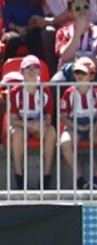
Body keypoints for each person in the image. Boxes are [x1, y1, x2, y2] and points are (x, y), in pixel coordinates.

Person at [58, 56, 97, 190]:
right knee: (65, 142)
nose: (79, 76)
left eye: (83, 73)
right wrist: (77, 126)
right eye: (77, 73)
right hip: (74, 126)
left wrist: (95, 127)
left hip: (92, 126)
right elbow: (63, 117)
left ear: (92, 75)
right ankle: (79, 179)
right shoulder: (69, 93)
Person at [6, 55, 57, 189]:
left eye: (36, 68)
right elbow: (12, 119)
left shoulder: (45, 91)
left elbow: (48, 118)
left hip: (38, 126)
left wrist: (41, 124)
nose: (33, 71)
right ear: (22, 72)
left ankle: (46, 177)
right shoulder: (15, 91)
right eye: (29, 68)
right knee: (16, 133)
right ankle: (19, 176)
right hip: (21, 126)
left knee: (51, 131)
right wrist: (28, 125)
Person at [52, 0, 97, 81]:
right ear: (70, 13)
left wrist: (81, 59)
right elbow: (65, 56)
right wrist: (78, 32)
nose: (82, 11)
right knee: (56, 81)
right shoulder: (62, 32)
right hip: (70, 70)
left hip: (93, 70)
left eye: (85, 7)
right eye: (77, 8)